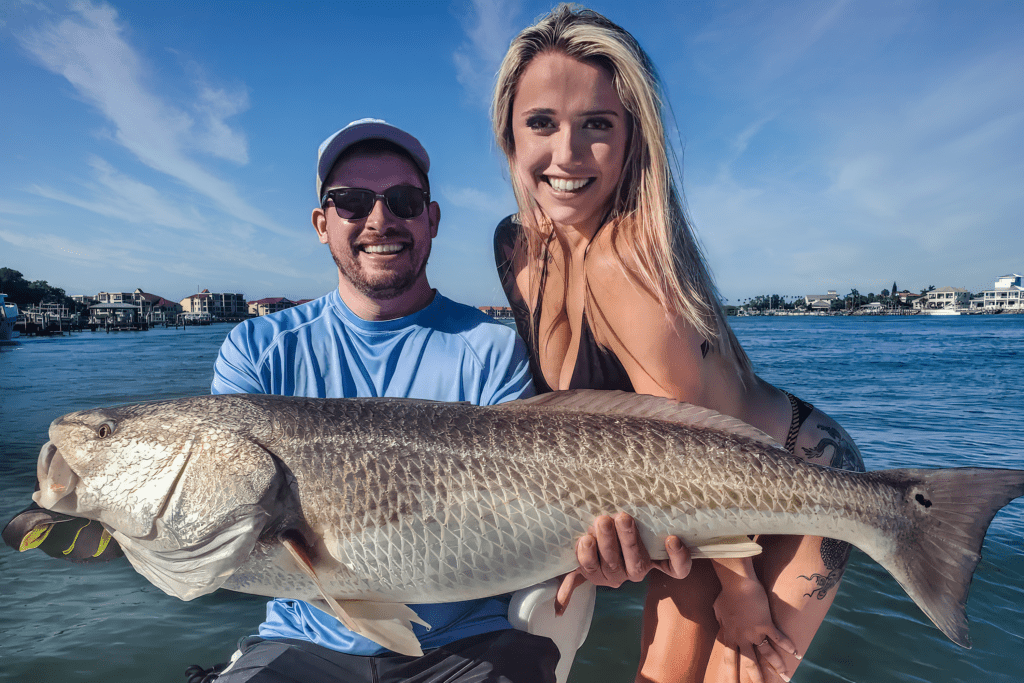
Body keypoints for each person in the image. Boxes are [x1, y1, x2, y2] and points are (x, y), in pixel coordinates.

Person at [205, 118, 690, 683]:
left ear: (431, 220)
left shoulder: (489, 348)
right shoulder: (257, 349)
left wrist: (590, 559)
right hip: (299, 641)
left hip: (470, 647)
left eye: (405, 202)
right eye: (352, 202)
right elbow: (232, 517)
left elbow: (535, 504)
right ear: (322, 223)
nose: (380, 220)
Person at [490, 6, 865, 683]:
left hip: (798, 480)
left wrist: (743, 591)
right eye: (541, 122)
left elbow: (699, 461)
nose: (567, 155)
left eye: (596, 126)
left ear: (634, 139)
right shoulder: (515, 249)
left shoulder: (629, 264)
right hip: (687, 506)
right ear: (509, 134)